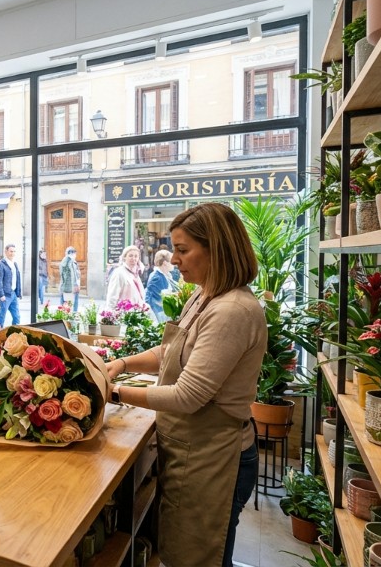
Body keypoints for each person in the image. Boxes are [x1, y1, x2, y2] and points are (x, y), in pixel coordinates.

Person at [104, 202, 266, 567]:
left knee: (199, 557)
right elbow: (171, 351)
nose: (174, 259)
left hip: (216, 457)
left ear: (217, 249)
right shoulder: (206, 294)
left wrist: (112, 393)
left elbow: (188, 395)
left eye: (182, 249)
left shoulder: (232, 311)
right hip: (193, 449)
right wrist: (123, 362)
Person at [105, 245, 146, 309]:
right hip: (124, 313)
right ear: (124, 257)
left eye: (136, 256)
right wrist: (111, 312)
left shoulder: (135, 273)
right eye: (130, 256)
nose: (133, 258)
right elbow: (113, 295)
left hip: (136, 313)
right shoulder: (119, 273)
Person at [0, 244, 22, 329]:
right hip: (5, 294)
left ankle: (15, 334)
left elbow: (17, 279)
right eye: (11, 251)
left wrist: (18, 293)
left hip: (13, 294)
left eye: (14, 251)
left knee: (17, 316)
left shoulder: (15, 264)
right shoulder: (0, 264)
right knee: (1, 316)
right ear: (6, 252)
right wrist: (1, 294)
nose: (12, 253)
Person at [145, 249, 177, 322]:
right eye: (171, 261)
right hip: (158, 314)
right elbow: (158, 299)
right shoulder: (156, 277)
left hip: (163, 313)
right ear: (165, 263)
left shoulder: (165, 275)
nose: (174, 264)